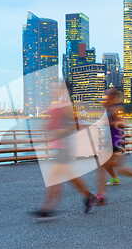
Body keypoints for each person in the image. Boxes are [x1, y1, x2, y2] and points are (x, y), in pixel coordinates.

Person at [32, 83, 97, 219]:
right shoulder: (56, 105)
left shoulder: (67, 106)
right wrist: (44, 126)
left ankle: (46, 209)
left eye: (58, 88)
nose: (53, 89)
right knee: (70, 177)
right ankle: (89, 197)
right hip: (57, 145)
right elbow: (53, 123)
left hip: (64, 146)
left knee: (54, 178)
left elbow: (74, 125)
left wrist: (62, 131)